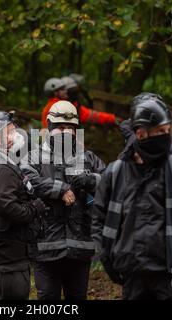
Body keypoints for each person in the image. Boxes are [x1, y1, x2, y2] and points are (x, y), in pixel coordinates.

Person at [93, 99, 172, 300]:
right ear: (140, 134)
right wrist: (107, 259)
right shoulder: (115, 173)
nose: (166, 137)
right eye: (159, 131)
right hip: (133, 274)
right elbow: (99, 219)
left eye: (167, 131)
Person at [21, 100, 106, 300]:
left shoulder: (88, 158)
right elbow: (26, 181)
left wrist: (90, 179)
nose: (66, 132)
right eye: (60, 127)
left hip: (80, 245)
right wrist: (60, 189)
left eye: (70, 128)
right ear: (50, 128)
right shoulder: (33, 157)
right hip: (46, 246)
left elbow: (110, 181)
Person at [0, 111, 47, 300]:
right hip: (8, 252)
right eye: (11, 131)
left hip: (1, 248)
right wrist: (34, 208)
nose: (17, 135)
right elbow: (5, 205)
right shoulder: (0, 167)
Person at [41, 77, 117, 128]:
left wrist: (113, 118)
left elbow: (91, 115)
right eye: (63, 89)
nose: (66, 91)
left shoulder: (69, 106)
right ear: (55, 93)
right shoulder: (58, 107)